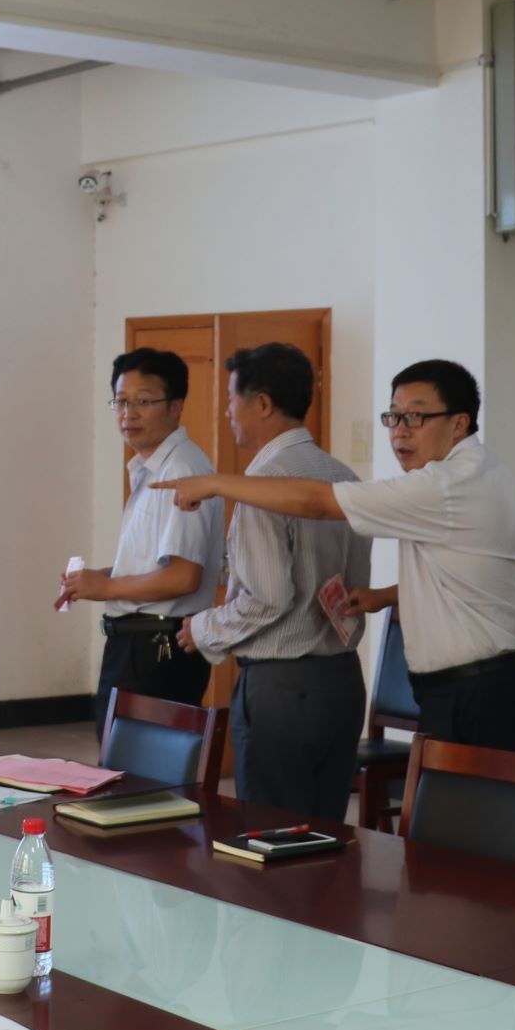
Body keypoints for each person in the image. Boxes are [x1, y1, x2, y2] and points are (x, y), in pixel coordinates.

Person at [160, 359, 515, 755]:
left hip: (479, 694)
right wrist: (386, 596)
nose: (399, 431)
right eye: (393, 417)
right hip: (485, 685)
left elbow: (316, 504)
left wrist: (214, 483)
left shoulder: (445, 485)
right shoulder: (486, 469)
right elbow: (473, 573)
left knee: (472, 799)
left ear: (459, 423)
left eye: (415, 417)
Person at [172, 344, 368, 819]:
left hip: (283, 689)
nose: (227, 411)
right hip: (342, 681)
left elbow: (268, 599)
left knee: (272, 835)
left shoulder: (262, 485)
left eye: (231, 398)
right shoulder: (343, 477)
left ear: (262, 403)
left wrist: (202, 628)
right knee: (326, 834)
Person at [59, 348, 225, 714]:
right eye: (121, 401)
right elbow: (155, 563)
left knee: (140, 749)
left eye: (144, 401)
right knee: (120, 746)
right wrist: (99, 578)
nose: (128, 413)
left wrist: (106, 588)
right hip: (139, 644)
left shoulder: (181, 470)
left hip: (158, 648)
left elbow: (183, 577)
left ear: (176, 406)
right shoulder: (152, 468)